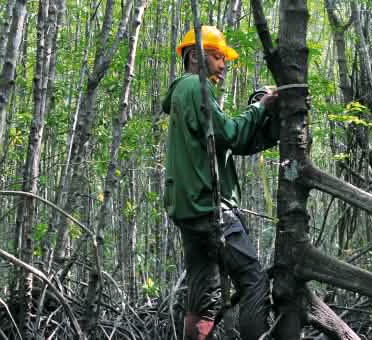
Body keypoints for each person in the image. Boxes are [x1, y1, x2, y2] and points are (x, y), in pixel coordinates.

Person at [162, 26, 279, 340]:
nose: (223, 64)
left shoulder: (187, 94)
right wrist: (259, 108)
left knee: (202, 299)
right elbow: (229, 133)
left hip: (190, 211)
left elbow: (231, 141)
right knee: (253, 281)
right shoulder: (193, 88)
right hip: (210, 207)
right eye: (216, 57)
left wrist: (263, 119)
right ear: (195, 57)